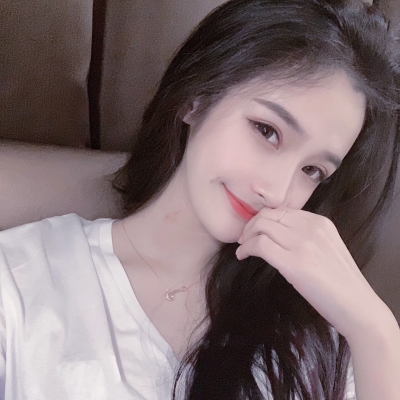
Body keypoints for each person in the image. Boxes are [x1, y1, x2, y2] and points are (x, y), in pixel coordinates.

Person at [0, 0, 399, 398]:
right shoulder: (23, 279)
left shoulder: (323, 338)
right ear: (196, 98)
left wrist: (377, 333)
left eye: (312, 170)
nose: (277, 192)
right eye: (267, 131)